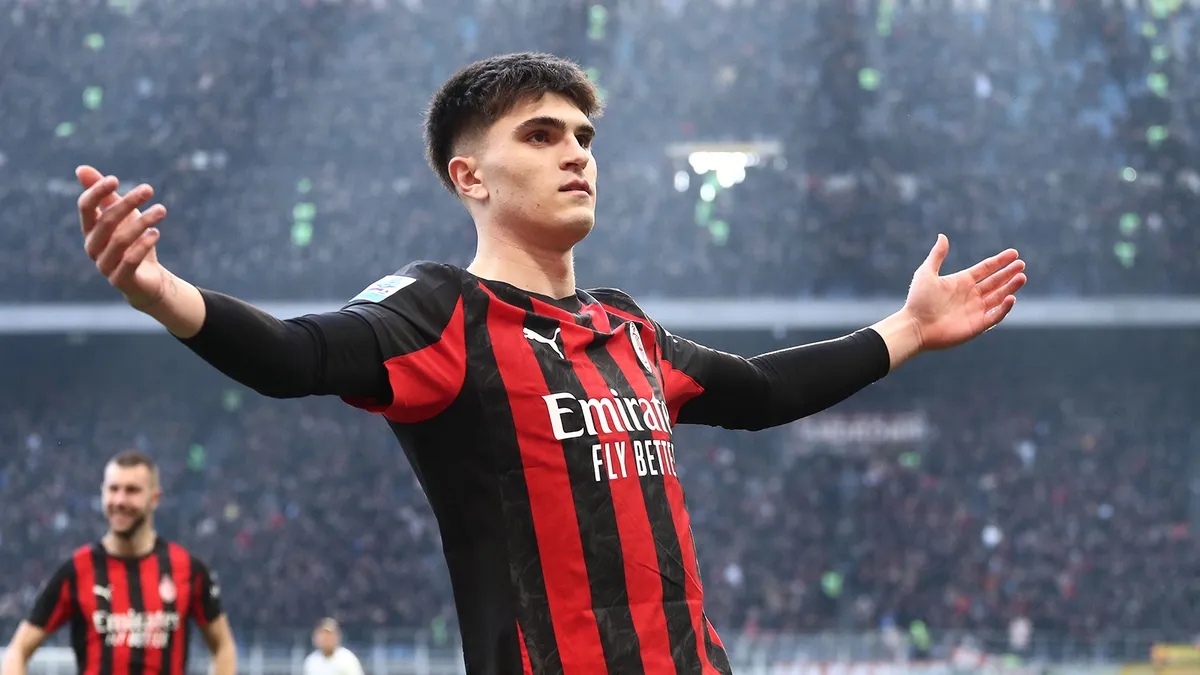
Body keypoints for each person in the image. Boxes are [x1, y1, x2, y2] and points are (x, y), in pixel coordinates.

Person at [73, 52, 1026, 675]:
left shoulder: (627, 329)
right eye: (541, 134)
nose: (577, 154)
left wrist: (908, 328)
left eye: (583, 136)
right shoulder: (440, 310)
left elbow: (765, 390)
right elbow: (295, 355)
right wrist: (161, 291)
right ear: (469, 176)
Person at [0, 452, 237, 675]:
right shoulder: (77, 571)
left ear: (154, 498)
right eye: (113, 489)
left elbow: (223, 645)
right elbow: (18, 650)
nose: (120, 500)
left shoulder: (188, 569)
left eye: (132, 490)